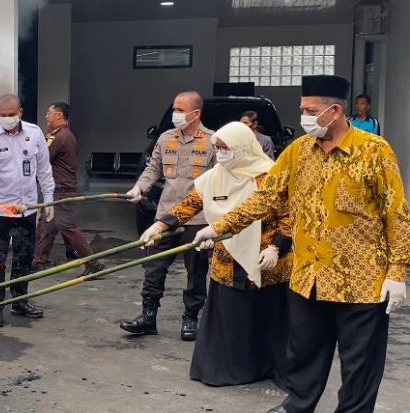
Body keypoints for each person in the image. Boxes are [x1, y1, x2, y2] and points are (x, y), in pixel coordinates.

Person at [192, 75, 409, 413]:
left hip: (362, 280)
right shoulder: (298, 152)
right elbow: (265, 197)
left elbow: (396, 213)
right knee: (304, 351)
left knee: (360, 361)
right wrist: (219, 227)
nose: (304, 117)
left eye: (310, 110)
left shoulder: (374, 151)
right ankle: (297, 407)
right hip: (308, 275)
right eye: (302, 109)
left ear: (334, 111)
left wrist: (397, 272)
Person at [142, 121, 291, 388]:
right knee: (230, 318)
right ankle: (229, 370)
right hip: (228, 262)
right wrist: (161, 225)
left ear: (242, 148)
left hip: (265, 262)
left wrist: (276, 247)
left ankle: (268, 367)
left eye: (226, 148)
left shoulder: (269, 177)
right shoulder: (215, 176)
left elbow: (289, 217)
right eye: (218, 148)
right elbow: (190, 204)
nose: (221, 154)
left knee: (266, 318)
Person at [122, 91, 215, 341]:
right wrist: (139, 187)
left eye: (180, 110)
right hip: (164, 217)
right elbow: (153, 167)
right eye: (174, 109)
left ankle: (191, 318)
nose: (175, 114)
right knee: (153, 267)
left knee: (196, 273)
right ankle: (148, 316)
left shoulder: (212, 142)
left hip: (197, 220)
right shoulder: (165, 138)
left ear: (196, 113)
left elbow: (220, 181)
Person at [0, 94, 55, 327]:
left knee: (24, 256)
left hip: (26, 208)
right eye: (3, 115)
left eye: (11, 114)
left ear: (20, 112)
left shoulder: (34, 134)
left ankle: (19, 300)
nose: (7, 119)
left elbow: (44, 168)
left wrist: (48, 198)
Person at [32, 102, 104, 275]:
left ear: (59, 115)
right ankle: (39, 261)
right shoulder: (59, 135)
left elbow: (42, 158)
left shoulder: (61, 137)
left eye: (49, 112)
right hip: (57, 189)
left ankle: (92, 263)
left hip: (60, 190)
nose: (46, 116)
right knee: (46, 225)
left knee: (67, 227)